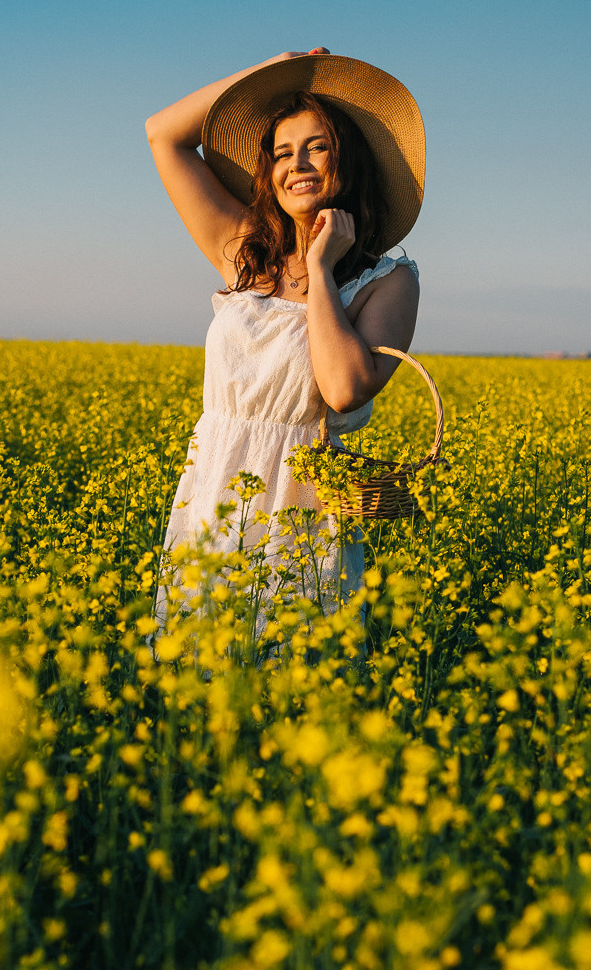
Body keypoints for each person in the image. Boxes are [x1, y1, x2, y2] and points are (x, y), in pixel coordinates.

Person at [146, 49, 425, 621]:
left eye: (317, 147)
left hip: (303, 513)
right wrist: (277, 67)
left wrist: (321, 268)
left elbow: (344, 389)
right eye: (282, 152)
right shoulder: (243, 248)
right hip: (214, 493)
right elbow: (163, 135)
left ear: (349, 161)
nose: (297, 164)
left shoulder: (388, 281)